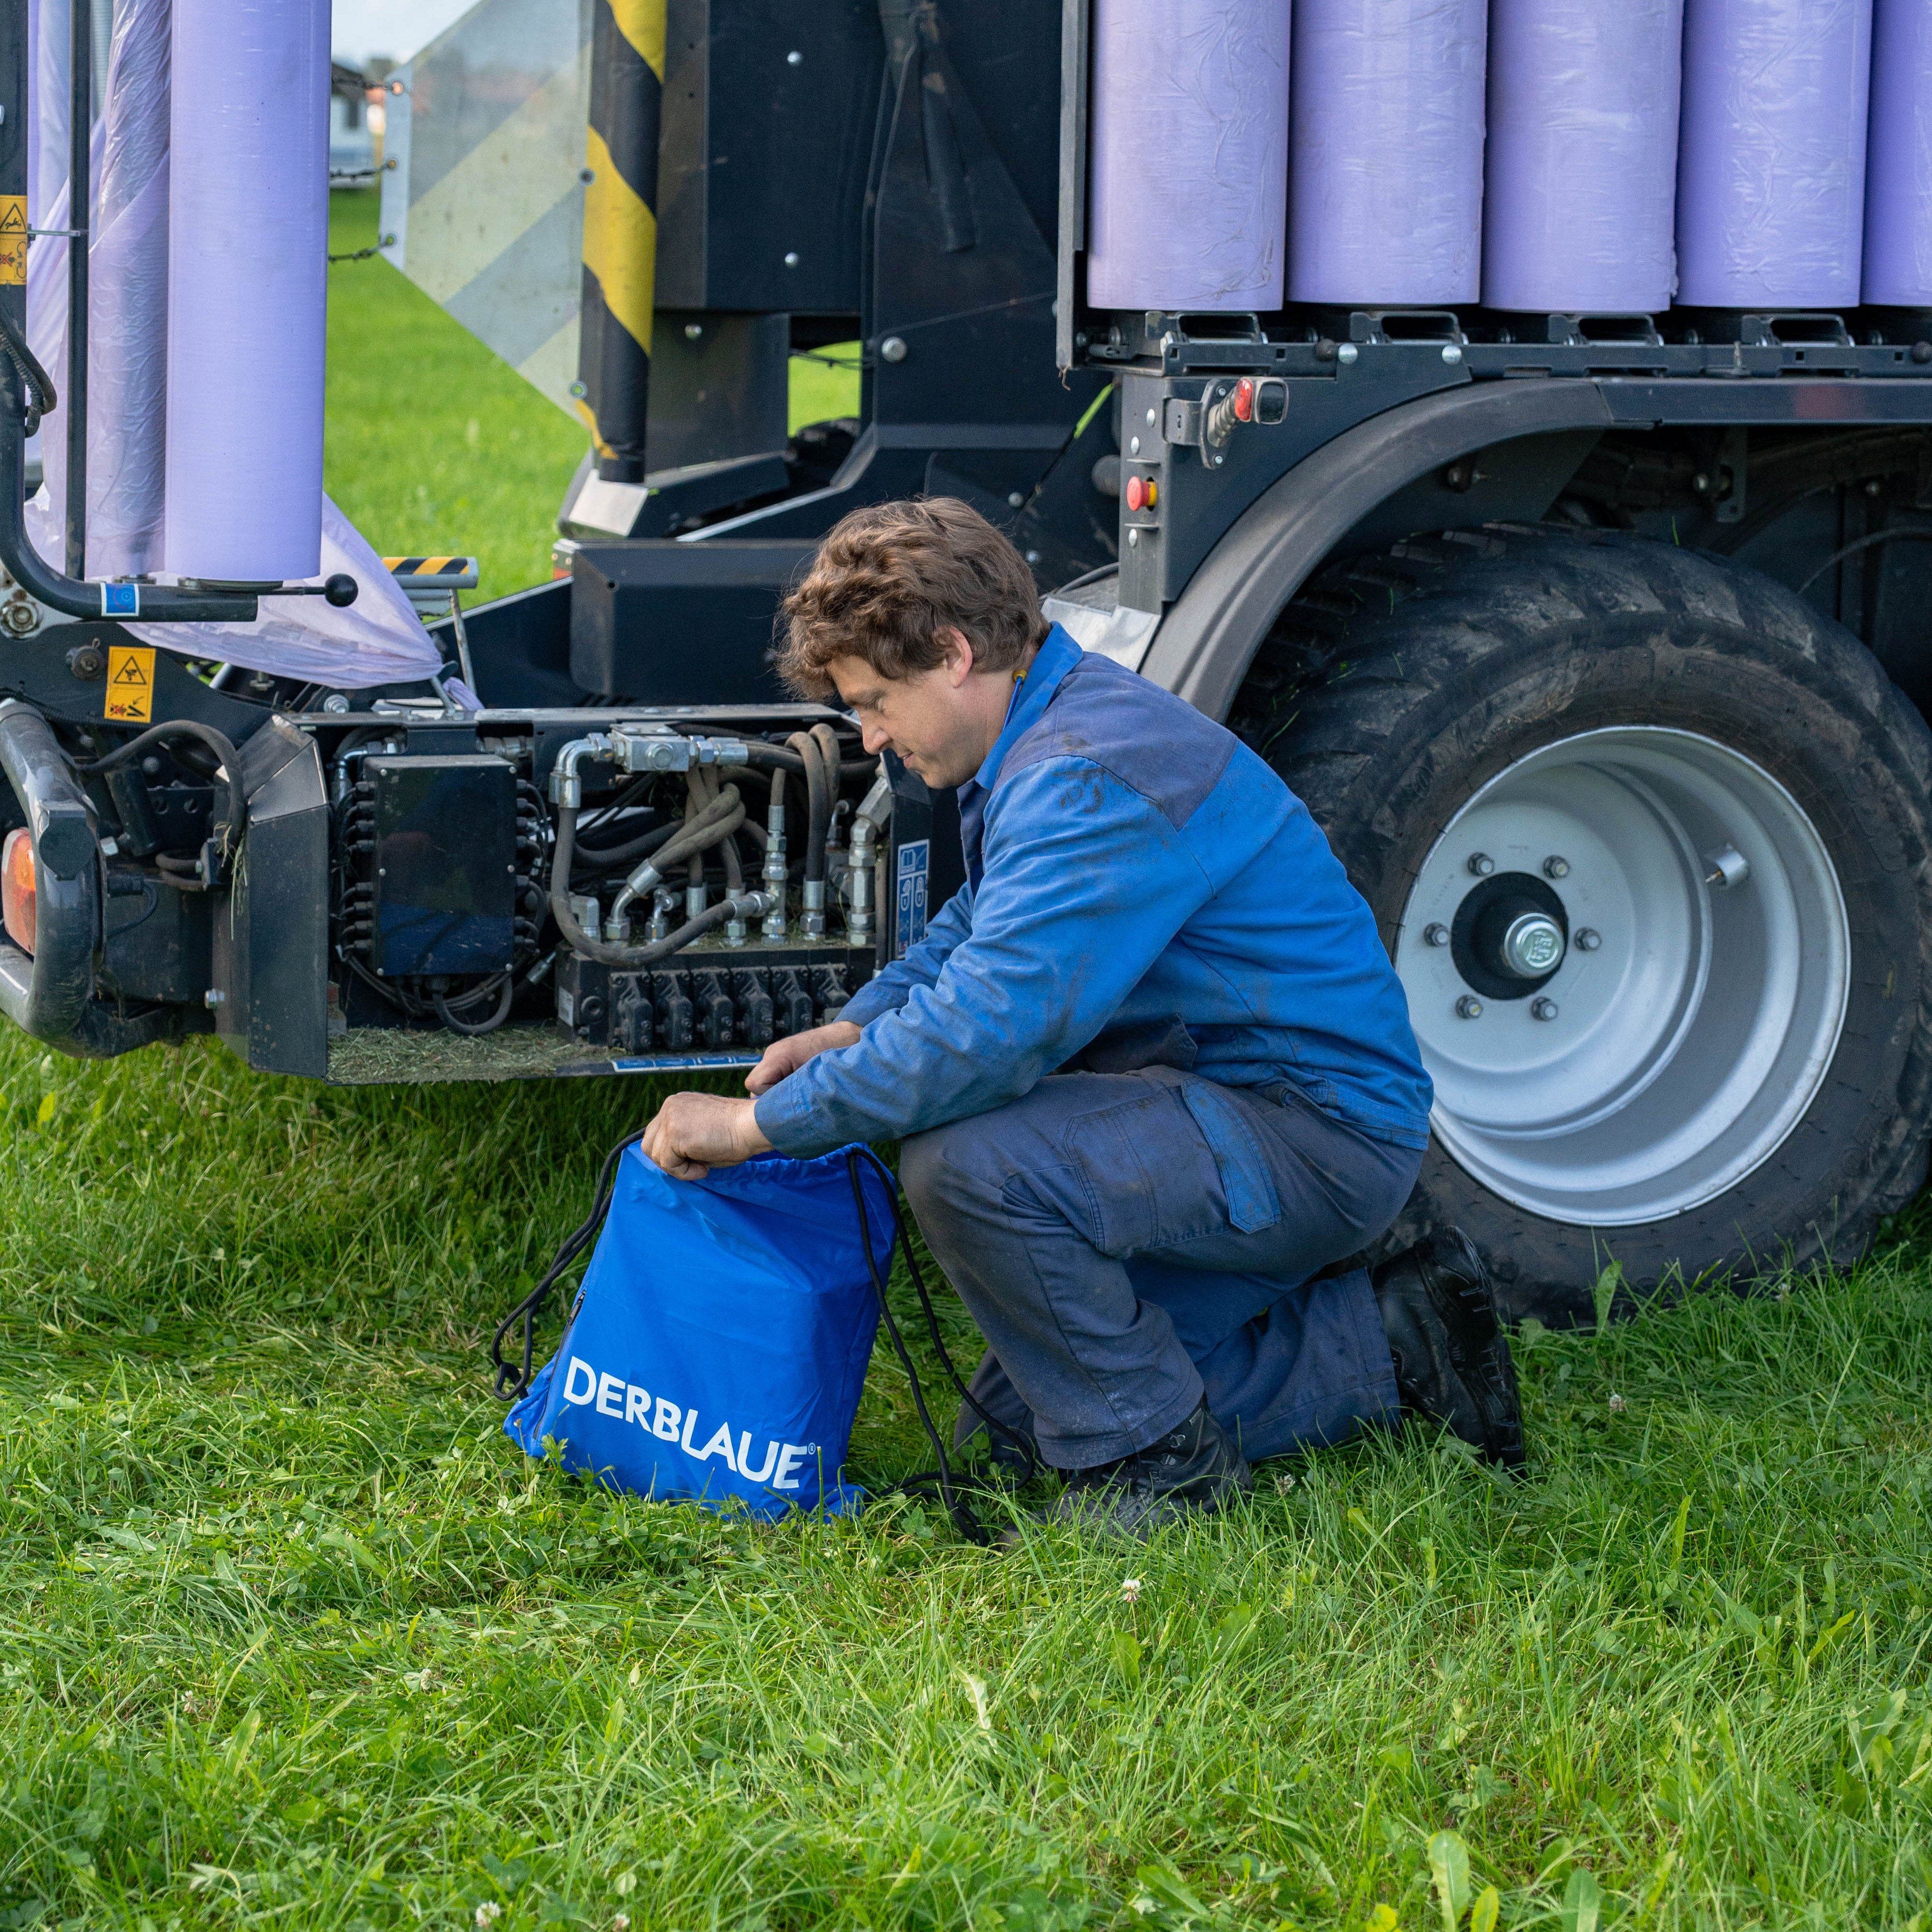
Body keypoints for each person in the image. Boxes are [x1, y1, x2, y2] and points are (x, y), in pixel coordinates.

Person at [640, 497, 1524, 1534]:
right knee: (1015, 1432)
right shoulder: (1048, 721)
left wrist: (751, 1128)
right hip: (1235, 1110)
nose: (869, 734)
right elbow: (982, 916)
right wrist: (863, 1025)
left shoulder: (1081, 772)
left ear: (955, 652)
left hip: (1310, 1131)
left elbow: (986, 1034)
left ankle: (1160, 1472)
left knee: (967, 1162)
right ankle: (1393, 1338)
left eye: (876, 700)